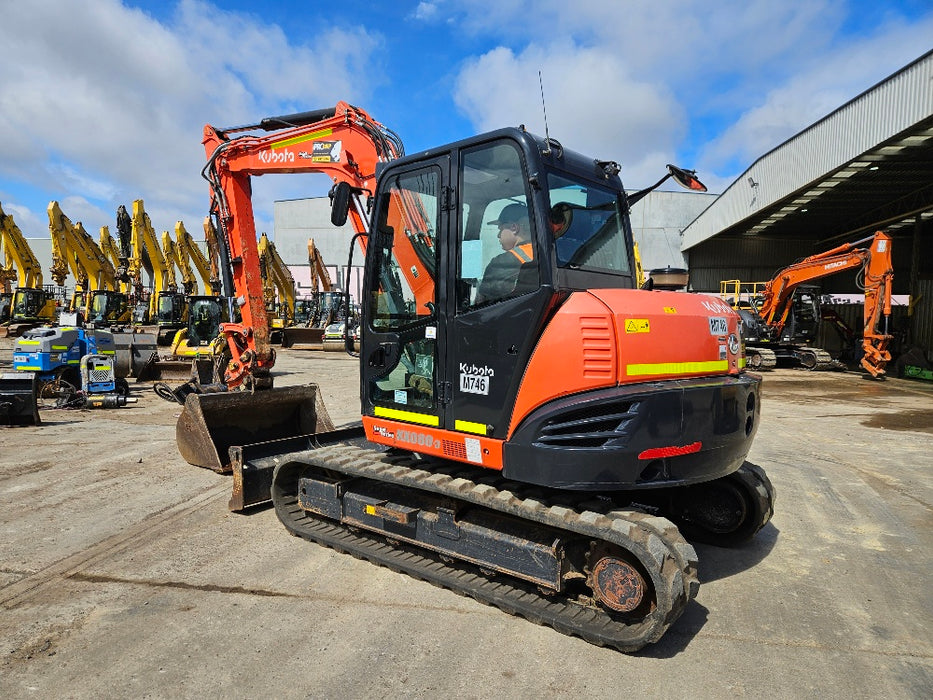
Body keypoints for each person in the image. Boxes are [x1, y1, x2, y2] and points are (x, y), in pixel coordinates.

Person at [475, 203, 535, 303]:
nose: (498, 235)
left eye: (501, 229)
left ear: (514, 228)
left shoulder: (501, 263)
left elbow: (481, 304)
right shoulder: (544, 255)